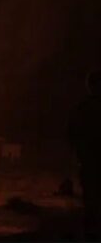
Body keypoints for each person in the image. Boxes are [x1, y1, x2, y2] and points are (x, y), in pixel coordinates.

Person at [69, 69, 101, 240]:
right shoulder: (83, 109)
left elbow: (72, 136)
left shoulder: (82, 108)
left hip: (88, 162)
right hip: (89, 161)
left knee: (90, 199)